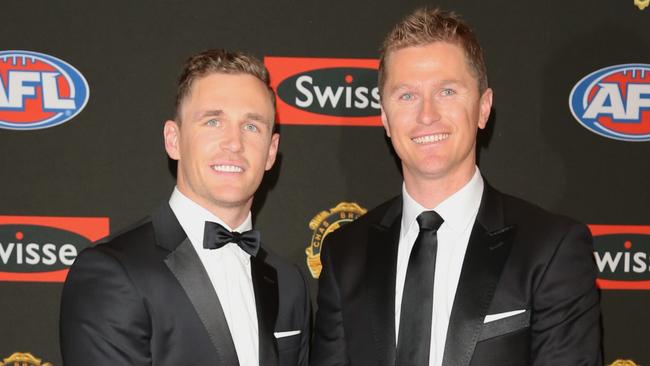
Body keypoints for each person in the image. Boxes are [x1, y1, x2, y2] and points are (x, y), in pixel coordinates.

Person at [311, 7, 601, 366]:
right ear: (384, 118)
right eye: (406, 96)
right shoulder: (345, 254)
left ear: (483, 107)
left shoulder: (551, 249)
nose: (427, 114)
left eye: (447, 91)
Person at [60, 49, 311, 366]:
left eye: (251, 126)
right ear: (173, 139)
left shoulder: (288, 282)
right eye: (213, 121)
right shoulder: (113, 272)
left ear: (271, 151)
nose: (234, 143)